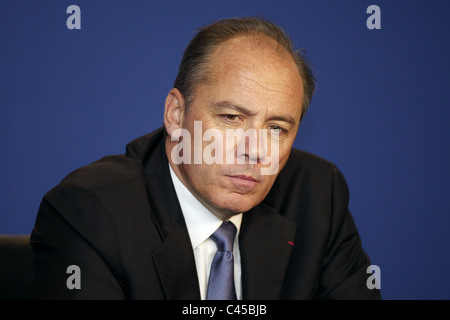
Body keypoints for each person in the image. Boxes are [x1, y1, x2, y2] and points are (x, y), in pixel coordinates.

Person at [30, 17, 381, 300]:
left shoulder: (318, 194)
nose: (255, 150)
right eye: (231, 118)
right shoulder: (89, 212)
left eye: (276, 128)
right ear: (175, 114)